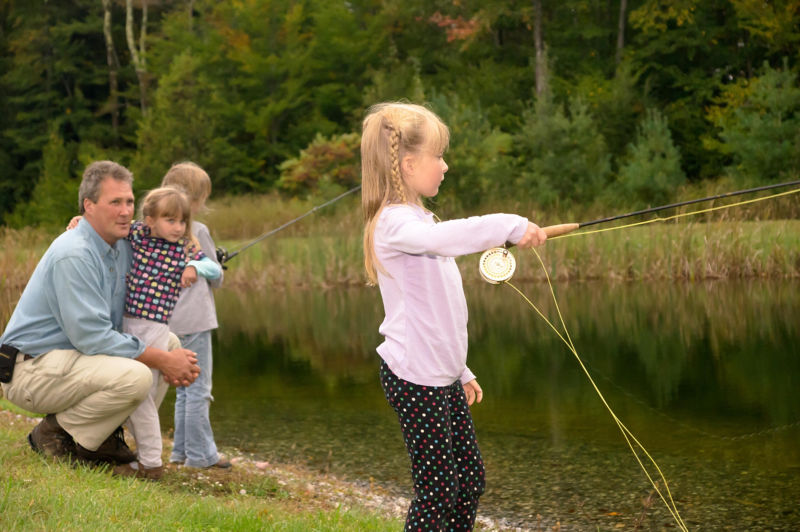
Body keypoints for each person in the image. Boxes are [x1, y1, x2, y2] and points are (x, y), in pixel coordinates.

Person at [361, 102, 547, 531]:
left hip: (440, 372)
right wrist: (509, 224)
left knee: (470, 481)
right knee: (440, 488)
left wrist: (460, 369)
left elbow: (438, 312)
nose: (445, 165)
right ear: (408, 164)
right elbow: (443, 240)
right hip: (413, 375)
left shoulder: (420, 219)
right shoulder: (394, 224)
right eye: (438, 156)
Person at [0, 160, 200, 468]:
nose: (125, 211)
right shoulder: (74, 254)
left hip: (71, 359)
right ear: (88, 206)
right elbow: (92, 338)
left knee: (169, 342)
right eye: (115, 202)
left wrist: (170, 357)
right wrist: (163, 362)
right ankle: (55, 434)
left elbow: (172, 243)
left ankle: (101, 435)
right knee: (138, 374)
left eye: (130, 202)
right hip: (30, 368)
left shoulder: (124, 245)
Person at [111, 186, 222, 480]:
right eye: (170, 220)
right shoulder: (137, 234)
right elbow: (106, 230)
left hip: (154, 327)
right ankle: (132, 452)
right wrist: (78, 222)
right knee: (125, 389)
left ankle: (151, 463)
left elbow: (213, 267)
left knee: (143, 392)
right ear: (150, 220)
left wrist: (194, 267)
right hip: (124, 323)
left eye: (182, 221)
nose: (178, 227)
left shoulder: (184, 248)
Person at [160, 161, 230, 470]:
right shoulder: (198, 230)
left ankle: (180, 452)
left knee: (182, 390)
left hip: (167, 323)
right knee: (198, 390)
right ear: (197, 199)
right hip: (197, 322)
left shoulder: (154, 230)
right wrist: (216, 263)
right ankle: (202, 456)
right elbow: (216, 277)